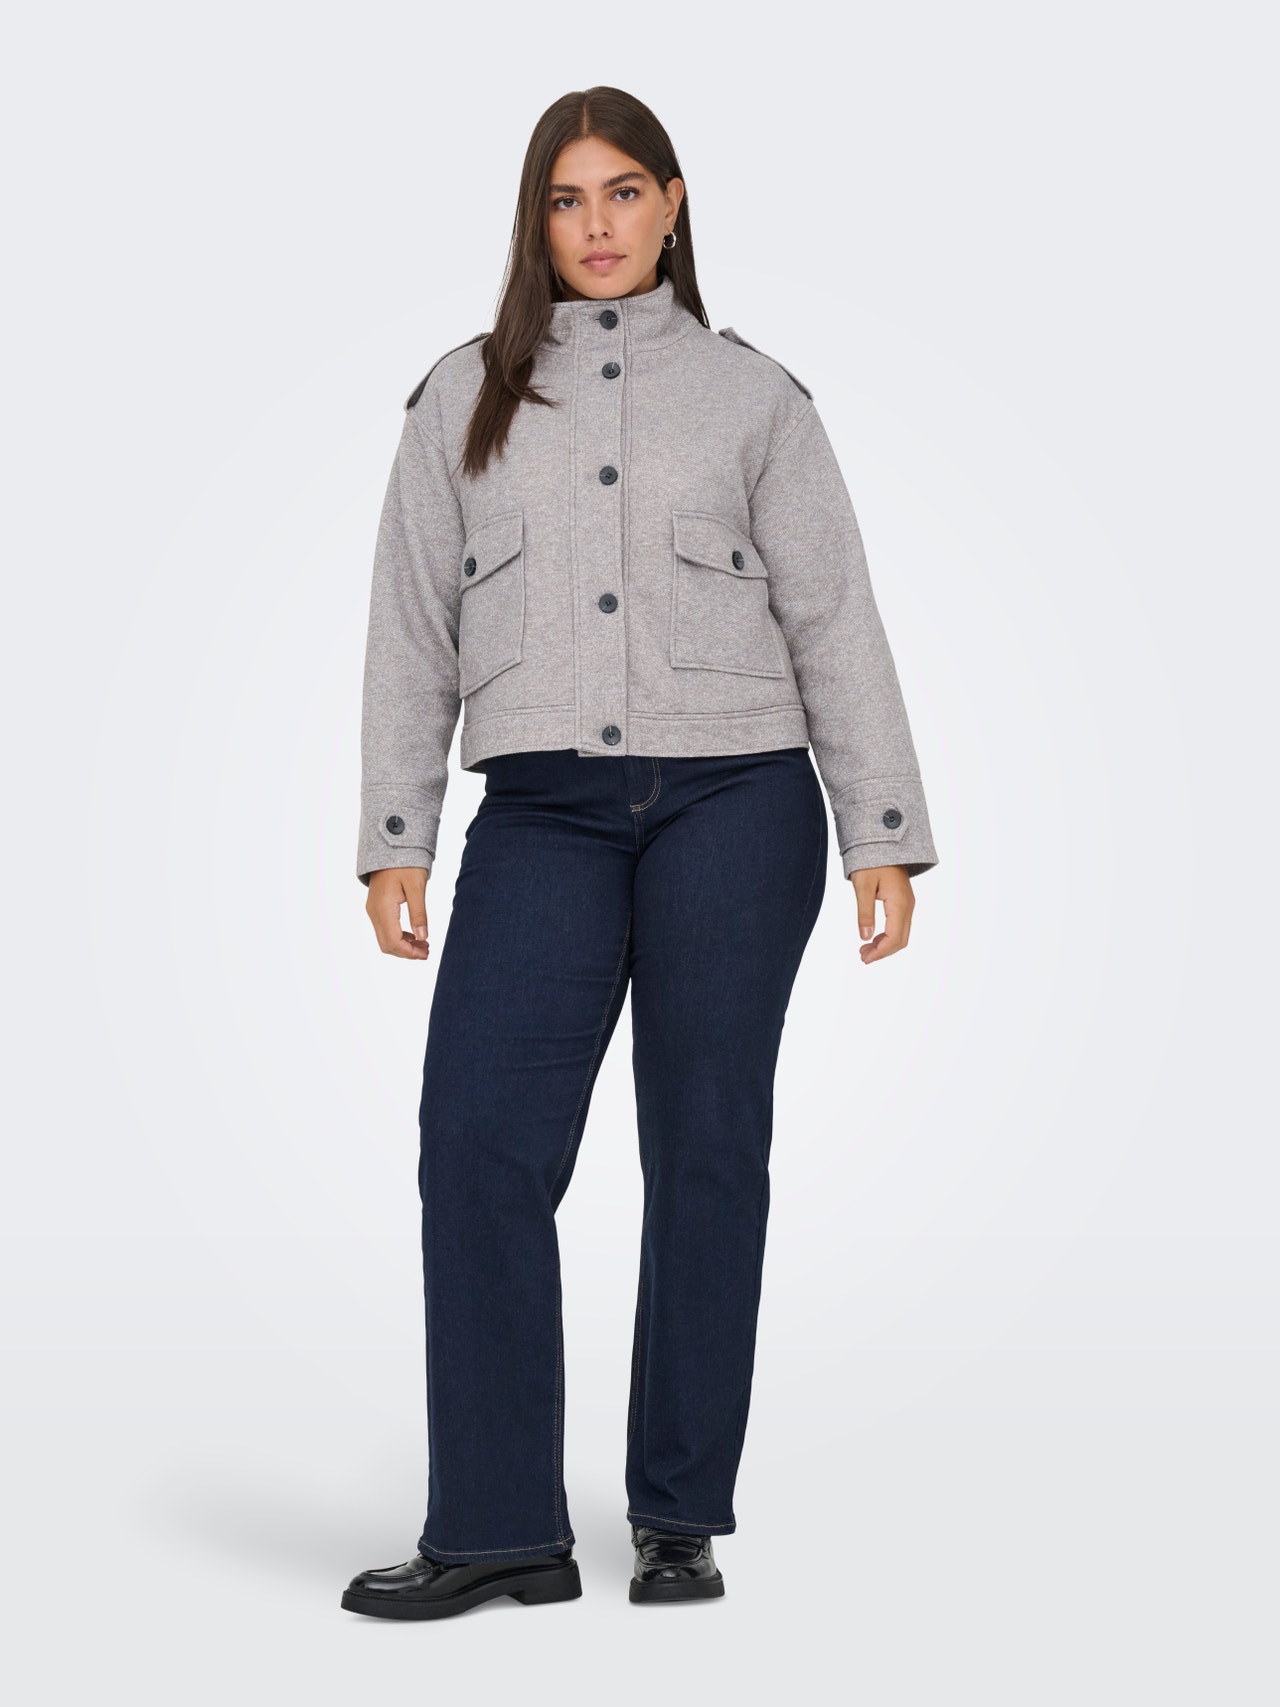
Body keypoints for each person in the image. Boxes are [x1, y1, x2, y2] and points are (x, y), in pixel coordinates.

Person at [341, 85, 939, 1622]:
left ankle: (678, 1514)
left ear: (673, 206)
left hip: (738, 803)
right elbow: (410, 625)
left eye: (623, 193)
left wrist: (880, 830)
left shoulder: (755, 400)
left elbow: (833, 614)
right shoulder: (461, 393)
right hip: (540, 813)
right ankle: (498, 1529)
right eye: (566, 198)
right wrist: (396, 832)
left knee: (705, 1147)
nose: (596, 224)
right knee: (477, 1142)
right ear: (534, 220)